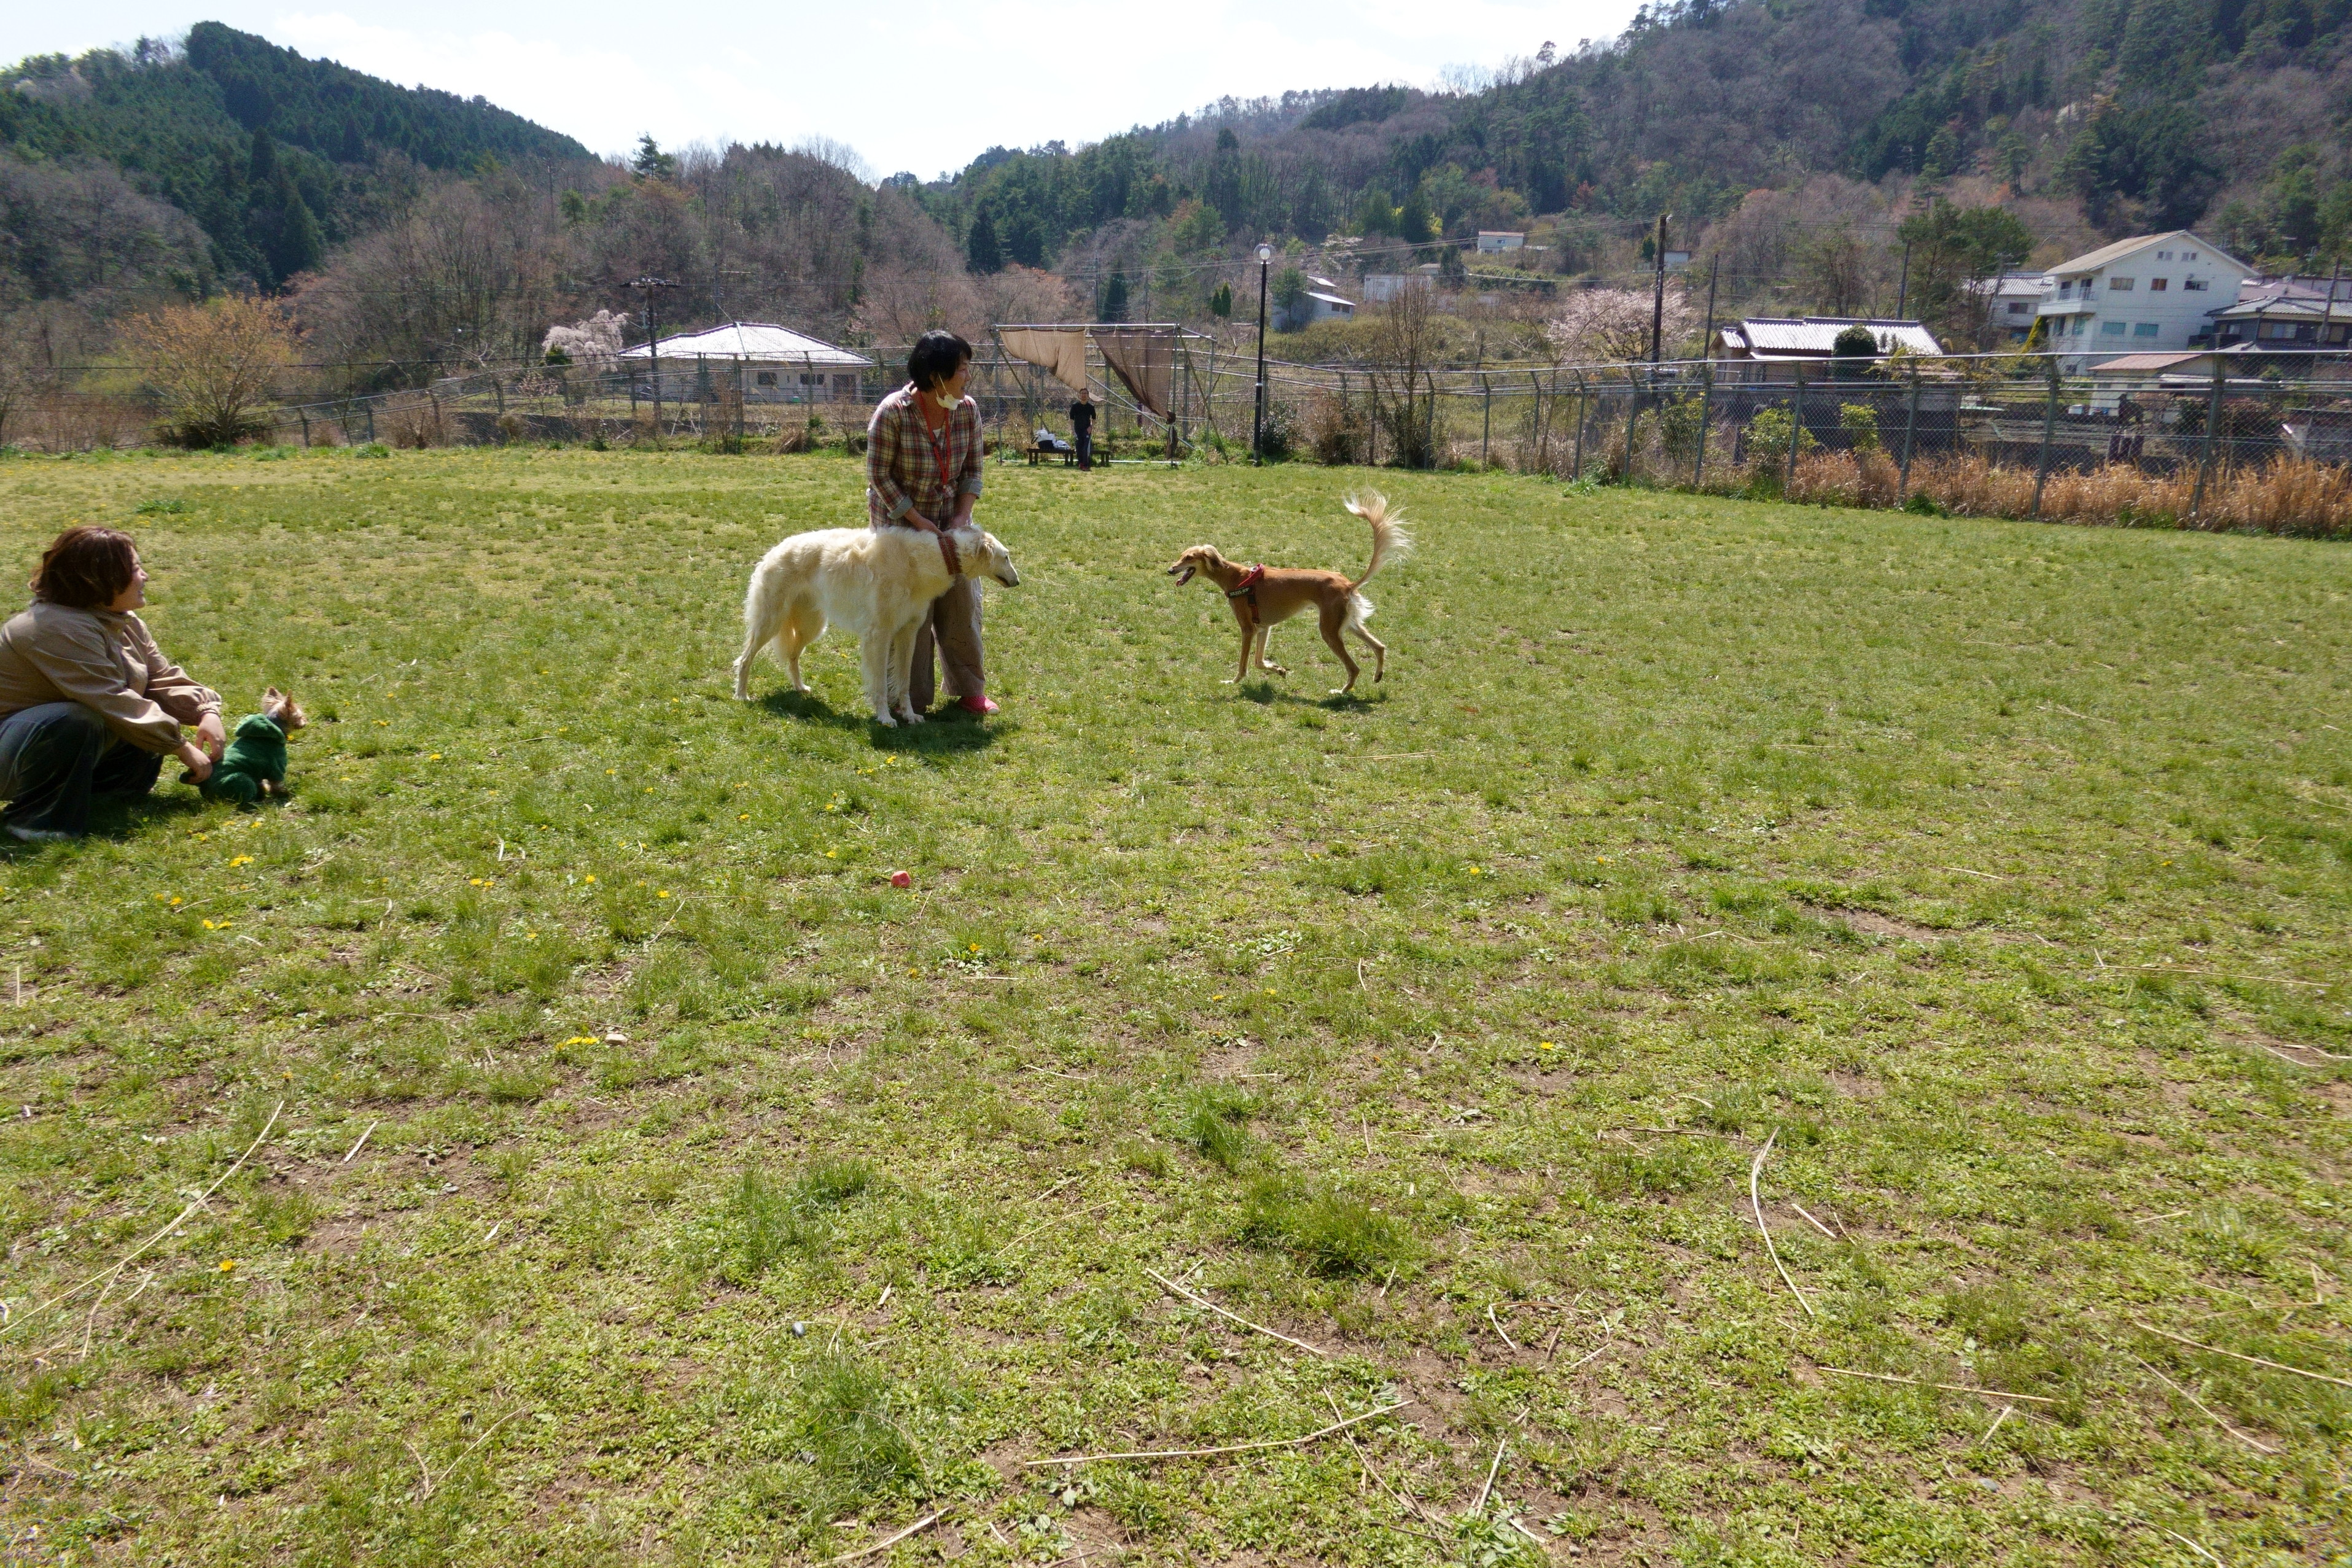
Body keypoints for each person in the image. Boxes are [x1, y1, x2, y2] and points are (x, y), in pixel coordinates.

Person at [0, 527, 224, 842]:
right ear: (98, 578)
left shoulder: (121, 620)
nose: (145, 576)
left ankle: (110, 796)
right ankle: (36, 823)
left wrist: (206, 712)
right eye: (134, 569)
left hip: (29, 744)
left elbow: (160, 679)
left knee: (134, 703)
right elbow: (111, 698)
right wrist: (181, 746)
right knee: (75, 719)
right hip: (9, 746)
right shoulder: (52, 627)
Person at [866, 330, 997, 715]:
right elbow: (878, 475)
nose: (967, 377)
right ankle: (910, 697)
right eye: (961, 370)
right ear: (937, 377)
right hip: (901, 527)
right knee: (912, 613)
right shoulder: (892, 413)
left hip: (951, 524)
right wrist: (917, 519)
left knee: (961, 603)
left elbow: (973, 469)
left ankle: (969, 688)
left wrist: (961, 516)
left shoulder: (967, 410)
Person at [1070, 392, 1096, 471]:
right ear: (1079, 395)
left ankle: (1086, 465)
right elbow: (1071, 419)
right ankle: (1081, 463)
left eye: (1085, 394)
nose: (1083, 395)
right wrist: (1072, 430)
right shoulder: (1075, 406)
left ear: (1088, 396)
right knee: (1079, 448)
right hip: (1078, 430)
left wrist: (1090, 427)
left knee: (1085, 448)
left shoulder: (1091, 407)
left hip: (1086, 431)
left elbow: (1094, 418)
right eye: (1082, 394)